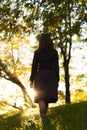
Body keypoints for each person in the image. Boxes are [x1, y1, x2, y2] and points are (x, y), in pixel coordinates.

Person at [30, 33, 59, 119]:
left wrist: (32, 80)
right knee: (47, 97)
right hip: (51, 75)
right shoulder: (54, 52)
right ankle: (44, 116)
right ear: (50, 41)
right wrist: (57, 79)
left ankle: (43, 115)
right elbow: (56, 67)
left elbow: (34, 67)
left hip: (40, 75)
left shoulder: (37, 52)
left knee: (41, 98)